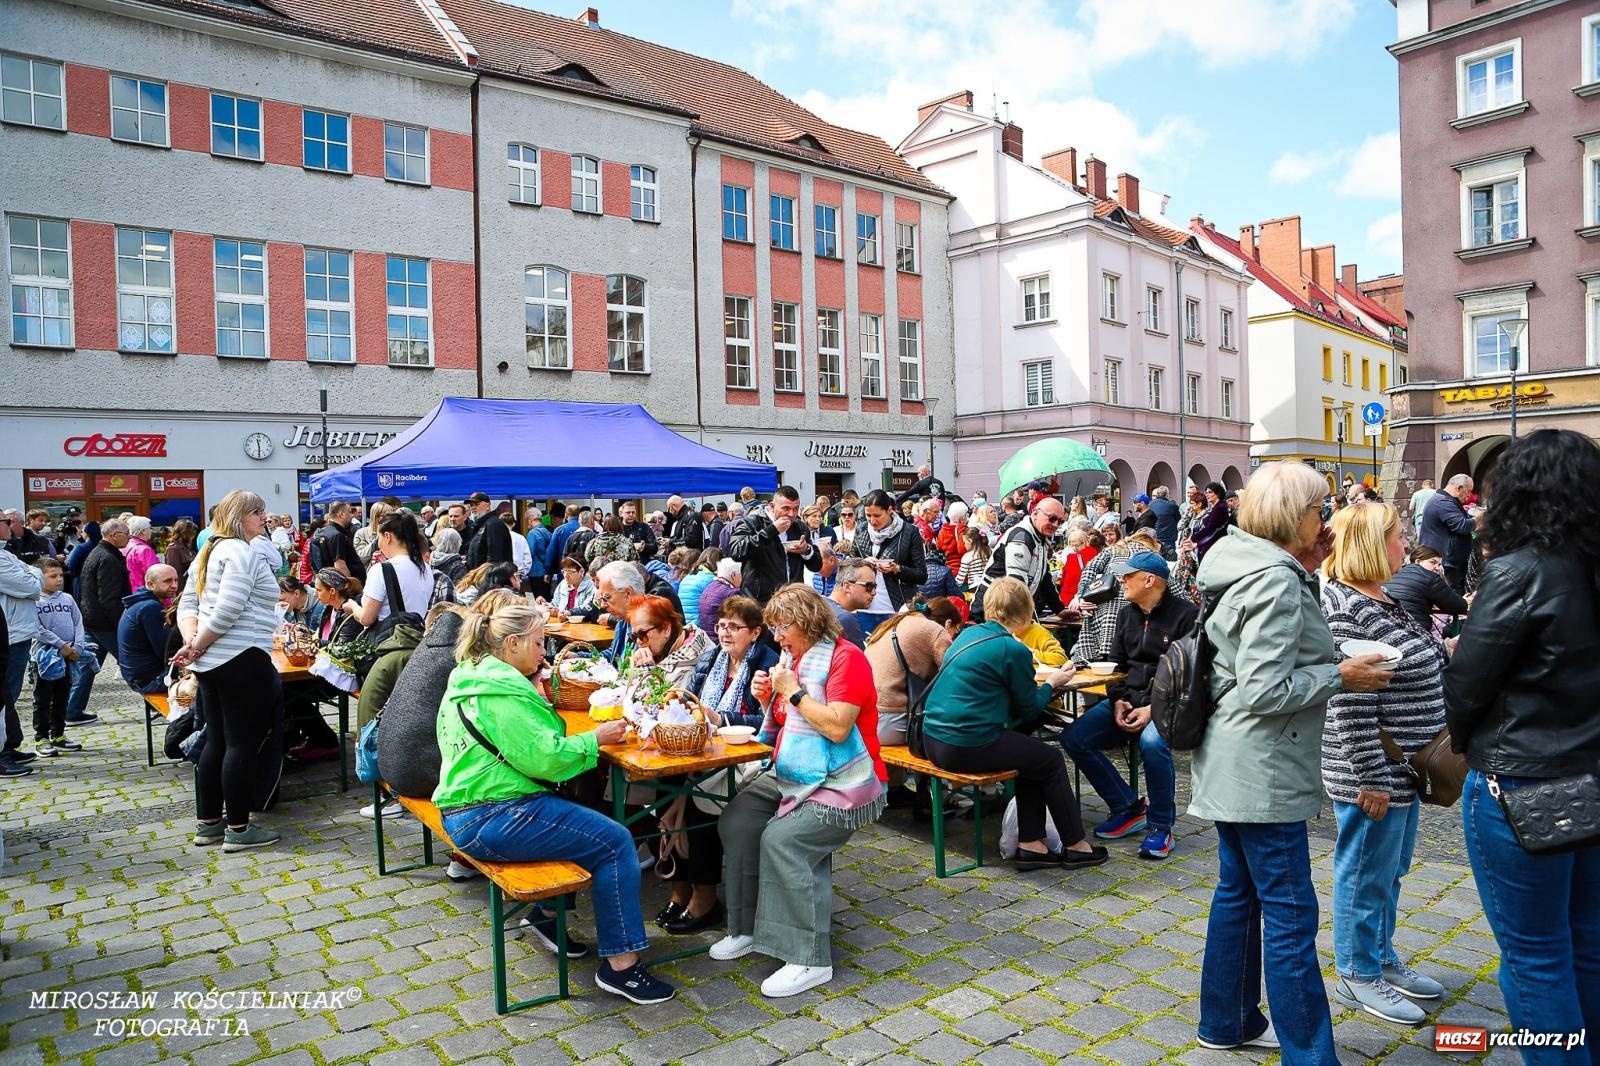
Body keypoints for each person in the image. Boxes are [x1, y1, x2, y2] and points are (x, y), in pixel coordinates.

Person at [1191, 461, 1394, 1060]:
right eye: (1317, 509)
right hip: (1263, 768)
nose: (1325, 517)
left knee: (1238, 894)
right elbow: (1264, 688)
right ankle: (1309, 1054)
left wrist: (1306, 563)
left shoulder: (1245, 561)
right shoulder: (1274, 580)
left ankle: (1226, 1021)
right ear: (1293, 516)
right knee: (1289, 914)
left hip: (1233, 758)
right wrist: (1341, 676)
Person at [433, 597, 675, 1004]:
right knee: (615, 842)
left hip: (469, 808)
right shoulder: (502, 692)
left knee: (583, 820)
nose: (544, 652)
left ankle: (545, 917)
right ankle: (621, 966)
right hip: (492, 814)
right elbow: (547, 759)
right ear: (512, 644)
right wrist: (594, 739)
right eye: (538, 642)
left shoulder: (473, 677)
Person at [1443, 429, 1600, 1054]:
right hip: (1588, 768)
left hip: (1524, 780)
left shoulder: (1520, 571)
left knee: (1535, 954)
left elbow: (1466, 685)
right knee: (1587, 939)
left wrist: (1464, 739)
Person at [713, 585, 887, 998]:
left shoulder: (847, 659)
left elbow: (837, 727)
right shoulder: (794, 659)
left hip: (845, 778)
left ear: (806, 623)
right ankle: (748, 928)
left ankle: (810, 958)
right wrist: (767, 698)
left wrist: (791, 690)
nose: (777, 637)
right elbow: (786, 721)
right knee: (738, 821)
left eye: (781, 627)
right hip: (794, 771)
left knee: (784, 839)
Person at [1318, 502, 1448, 1026]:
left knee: (1389, 871)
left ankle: (1380, 957)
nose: (1406, 544)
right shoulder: (1344, 606)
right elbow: (1350, 702)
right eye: (1398, 536)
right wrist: (1371, 778)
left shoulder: (1384, 596)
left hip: (1405, 770)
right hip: (1373, 772)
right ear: (1372, 543)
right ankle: (1357, 972)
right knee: (1364, 874)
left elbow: (1420, 659)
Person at [919, 577, 1101, 870]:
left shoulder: (968, 634)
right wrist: (1052, 683)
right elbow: (1029, 710)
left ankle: (1032, 845)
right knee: (1051, 760)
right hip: (964, 744)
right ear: (1026, 610)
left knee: (1032, 756)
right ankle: (1076, 845)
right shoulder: (1012, 649)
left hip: (932, 739)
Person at [1062, 552, 1196, 860]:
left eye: (1127, 576)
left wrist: (1152, 710)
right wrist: (1119, 700)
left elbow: (1189, 676)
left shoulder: (1187, 616)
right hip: (1129, 700)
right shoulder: (1126, 614)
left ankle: (1160, 826)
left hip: (1169, 706)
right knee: (1074, 737)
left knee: (1152, 743)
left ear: (1150, 580)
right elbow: (1117, 665)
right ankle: (1128, 806)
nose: (1120, 580)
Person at [174, 491, 285, 853]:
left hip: (212, 662)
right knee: (241, 744)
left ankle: (209, 823)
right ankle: (238, 827)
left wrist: (193, 641)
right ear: (239, 517)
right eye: (257, 512)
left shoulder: (210, 550)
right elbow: (229, 608)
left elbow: (189, 603)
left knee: (217, 740)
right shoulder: (239, 551)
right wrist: (196, 643)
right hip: (241, 657)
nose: (263, 518)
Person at [863, 599, 957, 746]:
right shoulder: (936, 631)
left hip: (865, 718)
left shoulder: (895, 623)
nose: (954, 637)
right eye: (956, 631)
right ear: (948, 623)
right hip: (890, 722)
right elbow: (954, 677)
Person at [30, 558, 90, 757]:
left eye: (61, 575)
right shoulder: (33, 600)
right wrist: (61, 645)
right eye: (53, 576)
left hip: (68, 655)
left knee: (62, 696)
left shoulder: (67, 598)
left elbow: (78, 622)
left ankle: (58, 734)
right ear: (39, 577)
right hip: (44, 658)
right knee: (43, 698)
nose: (59, 580)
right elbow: (37, 628)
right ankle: (42, 738)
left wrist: (78, 646)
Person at [728, 486, 823, 605]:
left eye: (795, 509)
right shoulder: (753, 522)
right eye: (786, 508)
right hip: (761, 603)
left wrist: (806, 550)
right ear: (772, 506)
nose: (791, 514)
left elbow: (817, 566)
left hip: (792, 602)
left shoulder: (799, 526)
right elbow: (736, 551)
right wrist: (771, 530)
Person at [0, 511, 43, 774]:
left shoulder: (6, 553)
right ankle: (2, 751)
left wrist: (32, 573)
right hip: (10, 633)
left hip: (18, 631)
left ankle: (8, 745)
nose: (10, 525)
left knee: (9, 696)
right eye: (4, 522)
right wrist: (33, 573)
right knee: (5, 696)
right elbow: (32, 586)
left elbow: (33, 576)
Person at [852, 489, 928, 633]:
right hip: (864, 607)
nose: (872, 521)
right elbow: (851, 563)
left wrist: (897, 569)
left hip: (896, 607)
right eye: (868, 515)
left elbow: (922, 575)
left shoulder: (909, 532)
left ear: (889, 510)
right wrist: (864, 563)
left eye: (877, 515)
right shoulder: (861, 529)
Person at [982, 495, 1066, 621]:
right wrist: (1031, 622)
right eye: (1052, 518)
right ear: (1035, 513)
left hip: (1008, 612)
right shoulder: (1021, 538)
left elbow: (1044, 579)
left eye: (1060, 522)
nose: (1055, 525)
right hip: (993, 613)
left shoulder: (1039, 536)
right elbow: (1017, 586)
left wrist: (1059, 610)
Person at [346, 512, 434, 630]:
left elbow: (366, 618)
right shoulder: (425, 568)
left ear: (387, 537)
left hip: (388, 639)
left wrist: (352, 606)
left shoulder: (380, 570)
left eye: (379, 537)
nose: (378, 543)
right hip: (416, 637)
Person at [79, 519, 132, 689]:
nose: (129, 537)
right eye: (127, 533)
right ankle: (153, 699)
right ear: (114, 535)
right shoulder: (108, 558)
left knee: (87, 668)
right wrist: (122, 624)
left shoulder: (99, 552)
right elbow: (109, 599)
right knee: (132, 664)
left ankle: (73, 704)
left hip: (92, 618)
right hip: (105, 622)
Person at [118, 564, 178, 694]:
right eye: (167, 581)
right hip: (150, 679)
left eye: (176, 580)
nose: (174, 585)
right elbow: (166, 651)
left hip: (137, 675)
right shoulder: (150, 608)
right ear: (150, 585)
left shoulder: (139, 602)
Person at [1381, 545, 1470, 634]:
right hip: (1414, 631)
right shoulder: (1430, 577)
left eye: (1439, 564)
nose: (1437, 568)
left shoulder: (1394, 574)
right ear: (1417, 561)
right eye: (1433, 562)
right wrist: (1466, 601)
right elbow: (1459, 606)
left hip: (1387, 628)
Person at [626, 594, 712, 686]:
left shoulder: (686, 670)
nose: (638, 642)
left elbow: (661, 695)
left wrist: (647, 671)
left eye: (642, 634)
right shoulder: (666, 646)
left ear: (666, 629)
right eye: (634, 636)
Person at [1419, 474, 1475, 594]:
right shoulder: (1443, 502)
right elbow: (1462, 526)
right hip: (1447, 562)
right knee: (1450, 594)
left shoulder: (1445, 501)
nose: (1469, 495)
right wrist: (1478, 518)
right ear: (1459, 488)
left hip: (1448, 560)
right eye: (1468, 491)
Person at [310, 501, 365, 583]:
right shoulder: (337, 535)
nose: (352, 515)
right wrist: (350, 586)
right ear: (342, 515)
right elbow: (340, 566)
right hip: (343, 585)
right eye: (349, 512)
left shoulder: (326, 532)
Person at [697, 558, 743, 632]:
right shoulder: (732, 593)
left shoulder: (710, 586)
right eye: (740, 574)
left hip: (706, 633)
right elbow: (741, 619)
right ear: (733, 575)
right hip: (718, 635)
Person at [1193, 482, 1233, 562]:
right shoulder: (1217, 507)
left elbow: (1210, 527)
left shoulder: (1219, 507)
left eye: (1210, 492)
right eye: (1206, 493)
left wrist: (1193, 538)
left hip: (1215, 543)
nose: (1207, 495)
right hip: (1215, 542)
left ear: (1218, 493)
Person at [548, 555, 596, 620]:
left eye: (570, 572)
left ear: (581, 571)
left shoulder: (591, 585)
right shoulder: (563, 584)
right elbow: (554, 604)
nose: (566, 576)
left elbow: (587, 609)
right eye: (564, 571)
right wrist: (545, 604)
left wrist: (562, 612)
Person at [121, 517, 161, 593]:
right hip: (143, 593)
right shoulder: (145, 550)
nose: (151, 531)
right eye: (150, 528)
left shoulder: (125, 546)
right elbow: (155, 575)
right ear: (143, 531)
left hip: (128, 592)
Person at [352, 501, 392, 567]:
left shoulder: (393, 533)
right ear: (375, 516)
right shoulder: (362, 533)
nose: (387, 519)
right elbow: (359, 558)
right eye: (383, 516)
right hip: (370, 571)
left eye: (389, 516)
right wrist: (378, 540)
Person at [524, 507, 551, 598]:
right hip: (547, 570)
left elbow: (529, 552)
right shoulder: (547, 532)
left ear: (530, 520)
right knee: (546, 598)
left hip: (535, 571)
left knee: (539, 599)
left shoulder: (532, 534)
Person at [956, 525, 992, 592]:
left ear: (970, 541)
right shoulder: (990, 551)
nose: (964, 545)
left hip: (975, 588)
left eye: (964, 542)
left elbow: (960, 580)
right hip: (990, 586)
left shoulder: (967, 557)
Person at [1147, 486, 1181, 556]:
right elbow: (1179, 519)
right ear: (1167, 495)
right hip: (1169, 537)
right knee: (1170, 557)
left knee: (1155, 556)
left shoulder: (1150, 505)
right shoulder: (1172, 506)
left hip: (1154, 536)